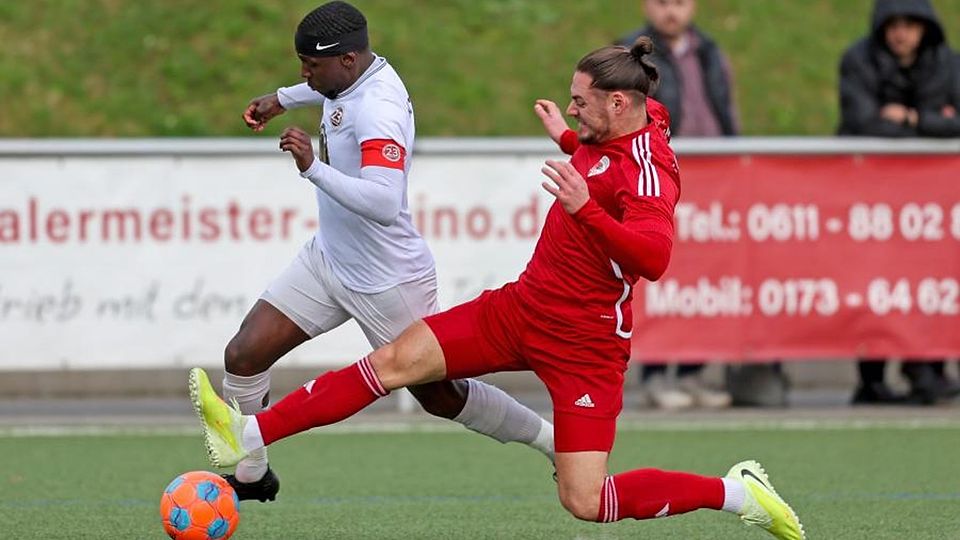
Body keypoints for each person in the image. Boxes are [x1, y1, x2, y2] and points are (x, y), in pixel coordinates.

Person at [190, 38, 804, 539]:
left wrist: (586, 208)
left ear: (618, 104)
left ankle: (734, 493)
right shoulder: (624, 122)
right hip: (520, 307)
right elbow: (600, 154)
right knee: (398, 359)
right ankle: (250, 435)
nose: (572, 110)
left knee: (588, 502)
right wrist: (566, 138)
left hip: (586, 347)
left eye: (579, 102)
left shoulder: (649, 174)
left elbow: (654, 257)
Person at [220, 1, 555, 502]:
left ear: (348, 61)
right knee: (244, 354)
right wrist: (282, 99)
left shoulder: (380, 110)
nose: (304, 74)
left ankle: (555, 441)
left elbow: (380, 201)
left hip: (388, 278)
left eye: (311, 67)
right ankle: (251, 475)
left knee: (441, 396)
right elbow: (327, 93)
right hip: (329, 259)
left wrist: (313, 166)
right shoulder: (349, 78)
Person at [616, 0, 737, 409]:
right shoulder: (632, 52)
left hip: (713, 180)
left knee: (704, 275)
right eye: (662, 2)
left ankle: (691, 372)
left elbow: (726, 108)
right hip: (658, 173)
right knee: (655, 270)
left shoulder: (710, 51)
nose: (672, 11)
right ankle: (654, 373)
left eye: (680, 2)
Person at [838, 0, 960, 404]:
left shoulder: (946, 62)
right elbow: (863, 122)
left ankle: (927, 368)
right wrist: (934, 123)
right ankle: (871, 376)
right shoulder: (859, 59)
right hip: (870, 197)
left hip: (930, 203)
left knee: (929, 281)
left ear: (925, 28)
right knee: (871, 283)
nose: (901, 33)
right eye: (893, 24)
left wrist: (909, 119)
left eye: (910, 24)